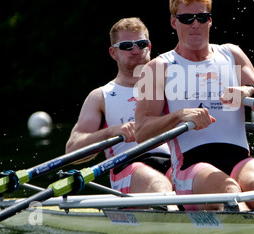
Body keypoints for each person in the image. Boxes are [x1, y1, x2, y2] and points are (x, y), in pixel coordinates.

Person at [134, 0, 254, 211]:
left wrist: (248, 91)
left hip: (239, 160)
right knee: (229, 191)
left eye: (202, 17)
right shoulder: (157, 68)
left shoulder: (232, 54)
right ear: (174, 22)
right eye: (187, 18)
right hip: (190, 167)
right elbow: (141, 132)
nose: (195, 24)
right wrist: (180, 116)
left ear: (210, 20)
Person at [66, 17, 174, 197]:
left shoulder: (171, 87)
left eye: (141, 43)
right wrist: (111, 132)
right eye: (126, 46)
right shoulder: (101, 96)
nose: (136, 50)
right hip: (127, 165)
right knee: (158, 184)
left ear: (149, 47)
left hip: (173, 162)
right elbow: (72, 150)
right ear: (113, 53)